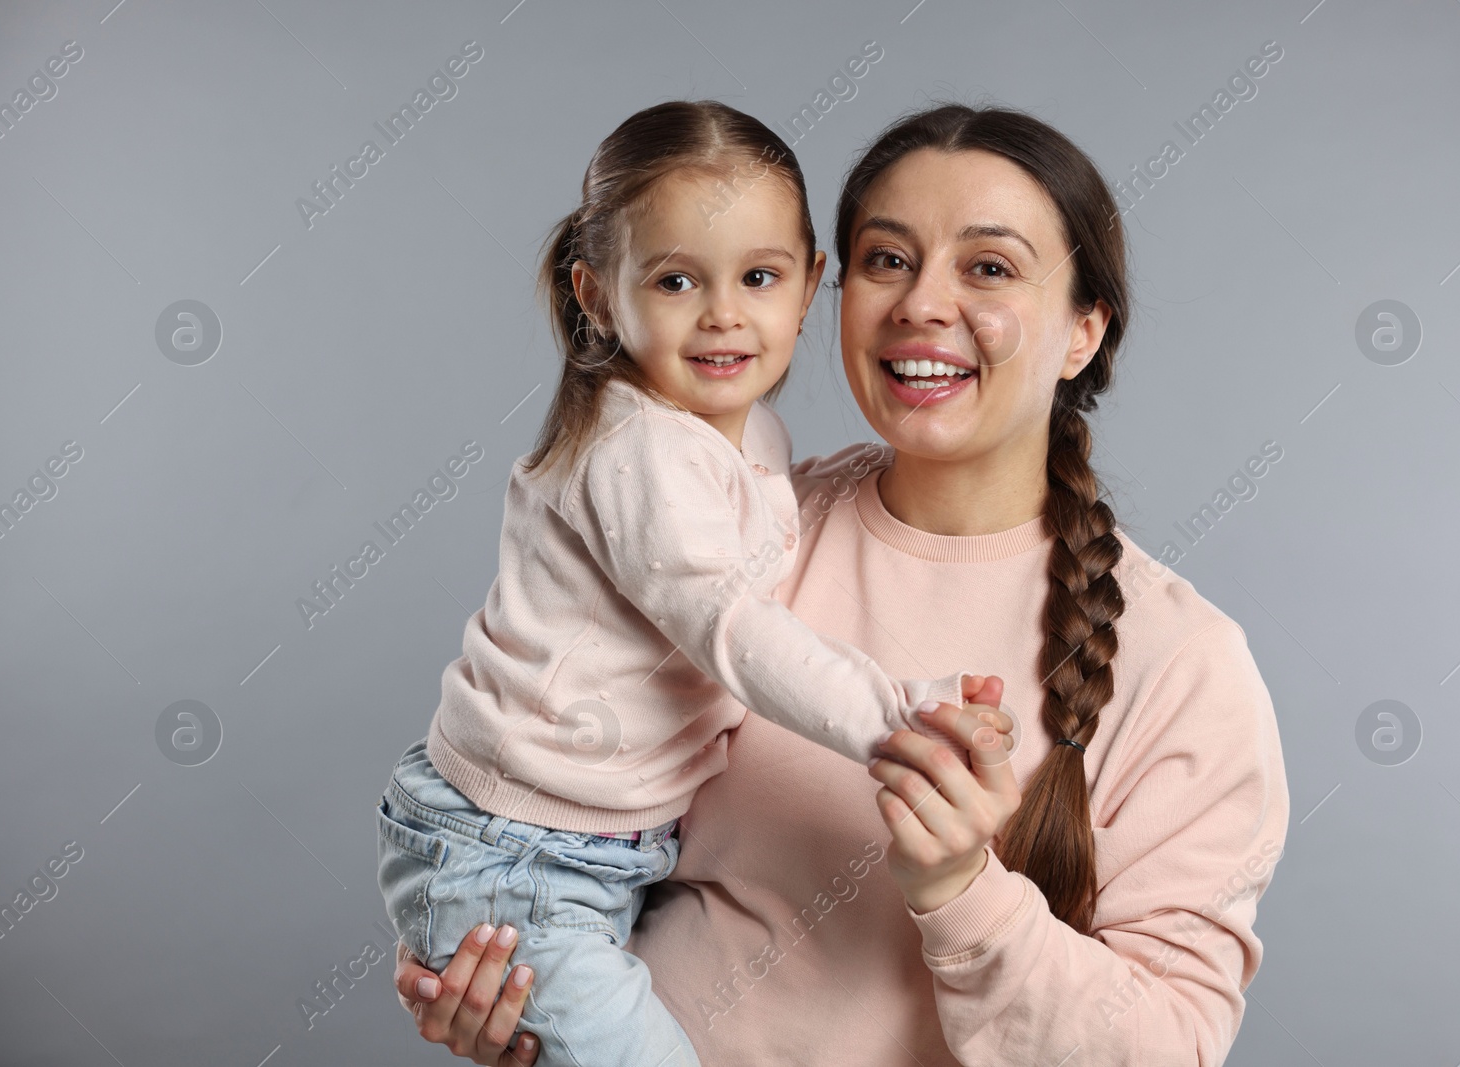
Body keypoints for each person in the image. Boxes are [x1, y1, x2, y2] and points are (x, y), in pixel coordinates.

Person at [391, 103, 1291, 1066]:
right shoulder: (750, 523)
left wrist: (960, 888)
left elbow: (1167, 1050)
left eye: (987, 266)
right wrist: (522, 1000)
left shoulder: (1184, 663)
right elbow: (566, 798)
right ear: (838, 289)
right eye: (888, 260)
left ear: (1083, 330)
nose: (921, 304)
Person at [374, 100, 1009, 1067]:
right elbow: (734, 633)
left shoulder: (756, 440)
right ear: (597, 294)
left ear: (809, 291)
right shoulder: (641, 455)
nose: (723, 314)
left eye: (759, 277)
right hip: (519, 851)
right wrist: (898, 713)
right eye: (675, 280)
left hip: (596, 849)